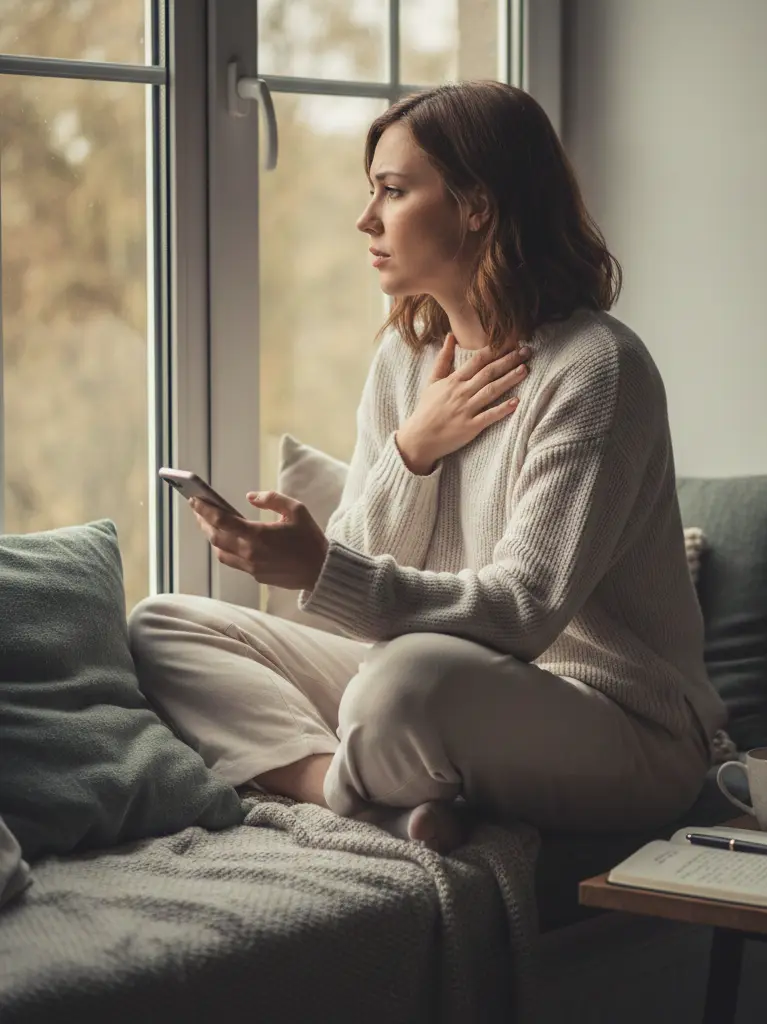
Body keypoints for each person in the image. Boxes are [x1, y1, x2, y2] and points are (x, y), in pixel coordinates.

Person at [128, 80, 727, 855]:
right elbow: (353, 581)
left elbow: (524, 614)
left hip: (622, 728)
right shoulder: (404, 359)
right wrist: (413, 451)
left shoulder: (597, 369)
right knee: (163, 625)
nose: (366, 218)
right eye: (371, 190)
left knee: (401, 684)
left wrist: (322, 569)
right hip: (440, 680)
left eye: (393, 190)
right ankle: (350, 786)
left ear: (477, 206)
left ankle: (350, 791)